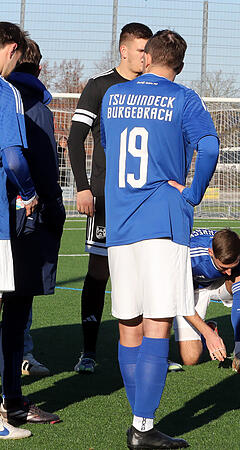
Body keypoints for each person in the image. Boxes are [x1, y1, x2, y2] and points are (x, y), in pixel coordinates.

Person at [100, 29, 223, 449]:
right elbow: (209, 148)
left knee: (128, 327)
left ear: (147, 57)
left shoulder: (112, 96)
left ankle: (139, 423)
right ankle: (144, 428)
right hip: (161, 221)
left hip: (118, 224)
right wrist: (191, 194)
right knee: (157, 324)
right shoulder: (184, 98)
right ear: (180, 65)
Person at [68, 22, 153, 374]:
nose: (147, 57)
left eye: (150, 51)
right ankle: (88, 351)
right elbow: (74, 140)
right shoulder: (100, 86)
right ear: (124, 50)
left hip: (145, 198)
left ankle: (150, 352)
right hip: (106, 196)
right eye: (141, 50)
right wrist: (83, 187)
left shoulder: (153, 89)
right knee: (99, 270)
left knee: (146, 272)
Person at [0, 25, 50, 440]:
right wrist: (31, 193)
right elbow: (14, 158)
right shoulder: (7, 93)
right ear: (13, 50)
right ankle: (6, 411)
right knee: (10, 314)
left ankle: (11, 403)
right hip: (3, 224)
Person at [173, 227, 240, 373]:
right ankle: (210, 329)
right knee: (191, 358)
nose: (228, 272)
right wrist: (208, 333)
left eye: (232, 266)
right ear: (210, 252)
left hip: (218, 285)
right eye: (223, 267)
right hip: (187, 292)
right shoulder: (189, 254)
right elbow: (179, 299)